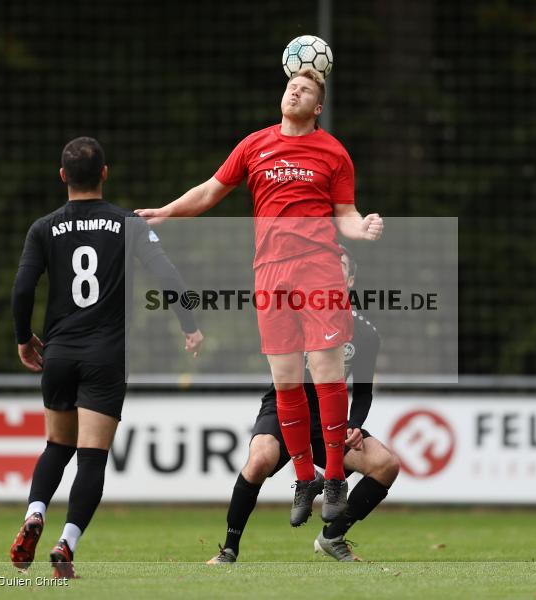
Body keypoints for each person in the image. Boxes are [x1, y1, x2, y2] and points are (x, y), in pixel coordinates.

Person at [136, 67, 383, 525]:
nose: (295, 90)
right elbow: (211, 190)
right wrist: (167, 212)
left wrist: (361, 228)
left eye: (306, 89)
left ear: (318, 106)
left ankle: (333, 478)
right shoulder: (255, 144)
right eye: (292, 85)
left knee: (325, 371)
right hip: (270, 273)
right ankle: (305, 479)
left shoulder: (333, 152)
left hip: (318, 268)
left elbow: (345, 214)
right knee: (287, 379)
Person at [9, 137, 203, 579]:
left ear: (62, 177)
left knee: (56, 446)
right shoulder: (128, 224)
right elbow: (167, 273)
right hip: (105, 355)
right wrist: (188, 325)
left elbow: (22, 289)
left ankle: (35, 513)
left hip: (58, 352)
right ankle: (66, 543)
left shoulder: (43, 227)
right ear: (105, 173)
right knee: (91, 457)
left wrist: (24, 338)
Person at [207, 247, 399, 563]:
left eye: (337, 265)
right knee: (259, 461)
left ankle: (333, 537)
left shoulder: (365, 334)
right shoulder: (291, 314)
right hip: (284, 410)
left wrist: (354, 423)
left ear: (349, 280)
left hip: (330, 420)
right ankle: (229, 549)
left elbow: (363, 392)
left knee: (386, 465)